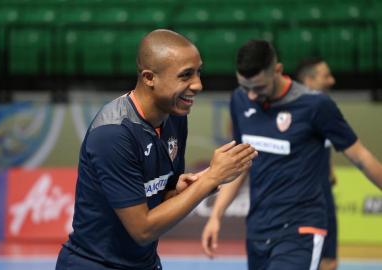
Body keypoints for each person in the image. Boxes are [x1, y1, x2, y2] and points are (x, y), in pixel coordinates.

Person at [55, 29, 257, 270]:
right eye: (185, 76)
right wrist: (211, 178)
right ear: (149, 77)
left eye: (198, 72)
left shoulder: (175, 117)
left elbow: (164, 195)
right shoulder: (113, 134)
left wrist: (197, 183)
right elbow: (142, 229)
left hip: (145, 263)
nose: (198, 85)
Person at [201, 40, 382, 270]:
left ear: (277, 70)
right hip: (258, 229)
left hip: (301, 229)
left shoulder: (315, 105)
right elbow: (240, 163)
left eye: (258, 87)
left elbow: (361, 157)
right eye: (245, 87)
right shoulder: (239, 100)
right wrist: (216, 215)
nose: (252, 96)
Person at [296, 57, 338, 270]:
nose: (332, 80)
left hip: (324, 193)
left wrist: (329, 170)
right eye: (326, 76)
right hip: (301, 200)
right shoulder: (293, 111)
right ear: (308, 80)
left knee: (329, 259)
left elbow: (323, 144)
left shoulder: (326, 108)